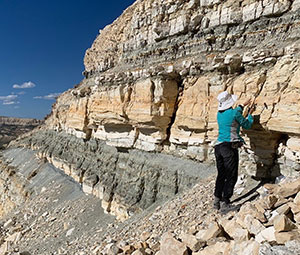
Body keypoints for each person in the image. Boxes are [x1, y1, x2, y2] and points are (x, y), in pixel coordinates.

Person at [213, 91, 254, 211]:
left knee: (221, 175)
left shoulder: (219, 114)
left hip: (218, 147)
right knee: (231, 175)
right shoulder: (234, 112)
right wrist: (250, 115)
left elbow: (235, 112)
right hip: (229, 148)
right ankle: (225, 202)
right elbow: (246, 125)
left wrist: (242, 105)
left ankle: (216, 201)